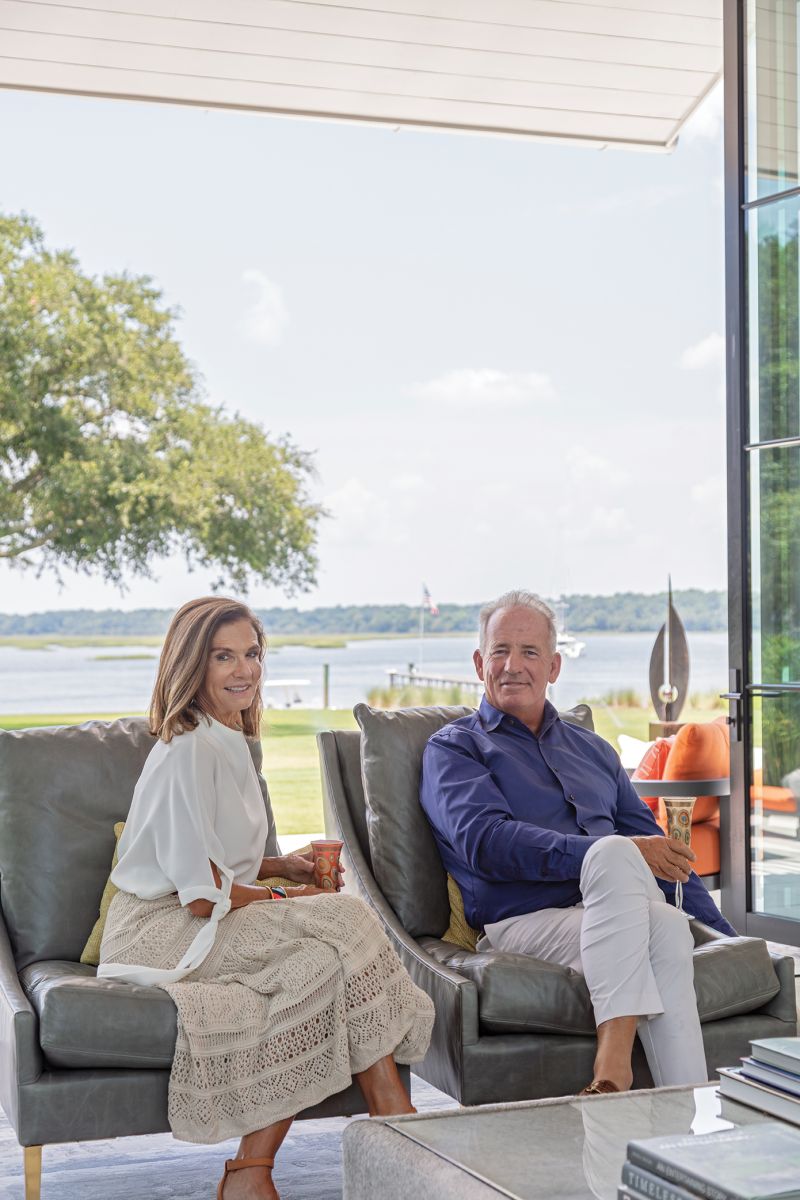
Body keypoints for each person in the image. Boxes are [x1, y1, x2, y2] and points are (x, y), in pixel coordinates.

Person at [99, 597, 434, 1200]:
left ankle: (249, 1172)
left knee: (318, 964)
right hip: (160, 925)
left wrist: (283, 865)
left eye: (251, 654)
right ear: (190, 666)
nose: (243, 670)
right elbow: (201, 895)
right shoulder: (186, 750)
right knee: (348, 917)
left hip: (203, 908)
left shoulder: (226, 740)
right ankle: (394, 1117)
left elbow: (217, 856)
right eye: (222, 657)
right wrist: (280, 892)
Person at [419, 590, 736, 1098]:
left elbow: (660, 852)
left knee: (669, 926)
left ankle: (683, 1113)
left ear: (554, 666)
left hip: (620, 914)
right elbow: (484, 843)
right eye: (500, 650)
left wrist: (726, 937)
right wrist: (607, 854)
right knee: (617, 858)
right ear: (480, 663)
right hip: (524, 922)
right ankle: (619, 1064)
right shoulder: (455, 747)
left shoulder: (593, 750)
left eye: (529, 652)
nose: (512, 665)